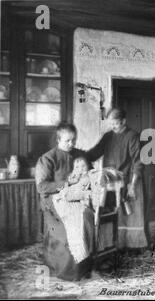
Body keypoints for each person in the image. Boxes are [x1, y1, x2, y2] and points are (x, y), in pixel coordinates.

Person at [35, 122, 94, 281]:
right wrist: (66, 184)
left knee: (87, 216)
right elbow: (42, 187)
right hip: (55, 201)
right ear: (58, 140)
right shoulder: (47, 158)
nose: (71, 144)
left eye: (73, 140)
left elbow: (90, 173)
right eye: (67, 141)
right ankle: (68, 271)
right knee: (71, 224)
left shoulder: (80, 155)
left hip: (76, 198)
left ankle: (84, 266)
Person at [86, 108, 148, 250]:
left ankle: (133, 246)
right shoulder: (108, 136)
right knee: (112, 212)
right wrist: (80, 156)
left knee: (130, 214)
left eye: (115, 123)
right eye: (111, 123)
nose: (113, 126)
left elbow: (138, 161)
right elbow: (95, 152)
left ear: (123, 121)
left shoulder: (133, 136)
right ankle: (114, 245)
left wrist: (132, 185)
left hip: (131, 179)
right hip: (111, 181)